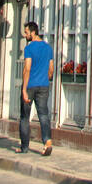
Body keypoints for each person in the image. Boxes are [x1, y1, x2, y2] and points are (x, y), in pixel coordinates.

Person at [18, 22, 54, 157]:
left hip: (31, 85)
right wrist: (46, 78)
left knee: (24, 117)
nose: (25, 35)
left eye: (26, 32)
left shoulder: (29, 48)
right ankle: (47, 142)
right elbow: (51, 69)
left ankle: (24, 147)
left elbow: (27, 69)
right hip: (44, 85)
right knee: (43, 115)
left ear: (33, 33)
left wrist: (24, 89)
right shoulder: (48, 48)